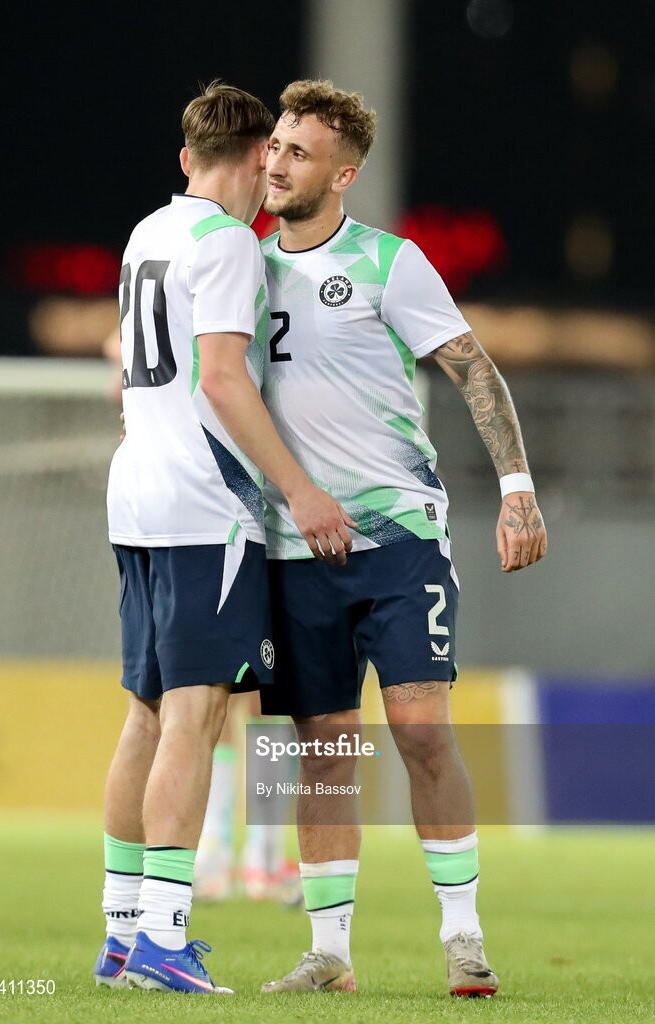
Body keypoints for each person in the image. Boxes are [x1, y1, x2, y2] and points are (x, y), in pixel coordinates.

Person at [258, 80, 547, 997]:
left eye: (298, 152)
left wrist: (517, 491)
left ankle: (463, 938)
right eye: (274, 145)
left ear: (342, 175)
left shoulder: (391, 262)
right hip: (295, 545)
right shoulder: (238, 268)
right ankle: (329, 952)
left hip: (398, 537)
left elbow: (474, 369)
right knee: (323, 749)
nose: (275, 162)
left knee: (422, 732)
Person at [95, 80, 354, 995]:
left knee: (147, 712)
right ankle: (165, 942)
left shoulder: (146, 234)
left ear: (183, 159)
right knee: (198, 721)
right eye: (270, 159)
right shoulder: (229, 247)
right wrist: (302, 488)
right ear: (255, 161)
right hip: (208, 507)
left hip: (136, 495)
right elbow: (221, 378)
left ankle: (121, 933)